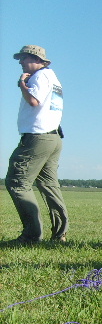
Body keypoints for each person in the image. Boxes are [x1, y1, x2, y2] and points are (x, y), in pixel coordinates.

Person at [6, 45, 68, 244]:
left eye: (23, 58)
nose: (20, 62)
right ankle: (60, 234)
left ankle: (32, 235)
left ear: (35, 58)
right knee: (49, 185)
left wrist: (23, 84)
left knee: (17, 182)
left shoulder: (39, 77)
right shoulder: (54, 78)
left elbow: (34, 101)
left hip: (37, 137)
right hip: (53, 138)